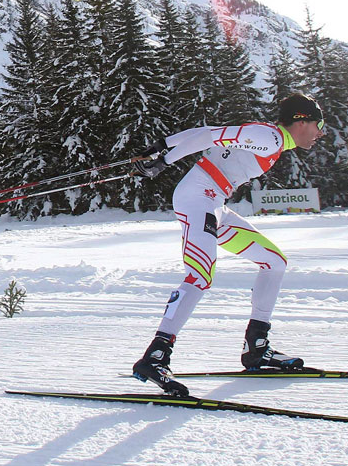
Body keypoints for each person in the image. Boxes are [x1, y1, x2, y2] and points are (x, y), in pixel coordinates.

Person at [129, 92, 326, 396]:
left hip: (214, 203)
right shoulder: (270, 138)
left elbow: (207, 134)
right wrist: (164, 160)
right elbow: (211, 135)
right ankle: (155, 357)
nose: (320, 133)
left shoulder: (273, 141)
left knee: (274, 261)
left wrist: (164, 146)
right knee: (200, 275)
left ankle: (257, 347)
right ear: (301, 121)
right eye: (318, 124)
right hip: (198, 197)